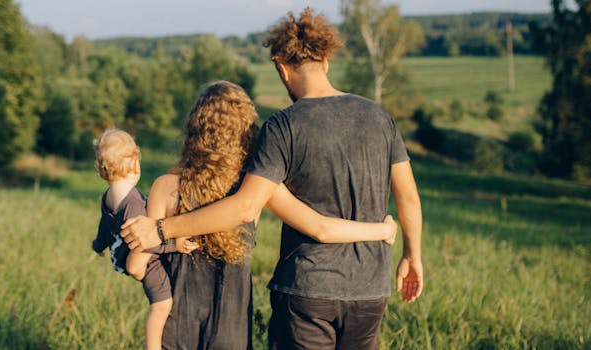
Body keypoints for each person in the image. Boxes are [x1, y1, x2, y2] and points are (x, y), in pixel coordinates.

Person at [121, 7, 423, 350]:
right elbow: (409, 198)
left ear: (282, 67)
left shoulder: (284, 126)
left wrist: (161, 230)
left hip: (307, 289)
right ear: (325, 61)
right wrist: (410, 253)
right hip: (371, 288)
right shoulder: (379, 117)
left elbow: (247, 207)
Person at [144, 80, 398, 349]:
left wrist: (164, 238)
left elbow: (139, 266)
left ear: (194, 128)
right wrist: (381, 230)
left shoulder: (165, 187)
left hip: (173, 329)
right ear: (246, 130)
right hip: (233, 334)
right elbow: (320, 227)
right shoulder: (256, 189)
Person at [90, 128, 198, 350]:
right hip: (147, 264)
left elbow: (104, 224)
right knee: (161, 306)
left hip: (122, 254)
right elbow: (147, 240)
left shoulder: (108, 197)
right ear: (134, 164)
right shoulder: (134, 205)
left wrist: (98, 244)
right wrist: (174, 244)